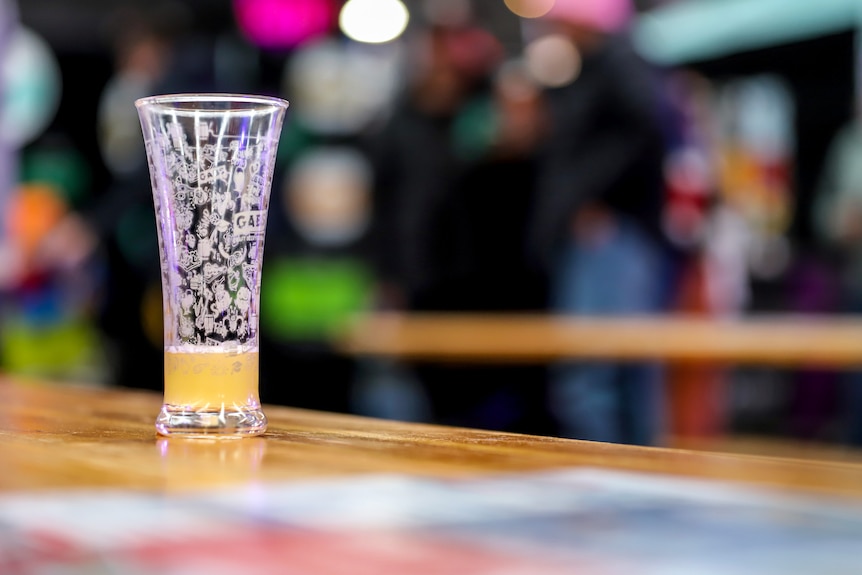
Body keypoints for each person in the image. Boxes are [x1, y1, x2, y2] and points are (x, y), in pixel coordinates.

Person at [527, 0, 671, 445]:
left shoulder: (618, 65)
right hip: (613, 238)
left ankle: (607, 490)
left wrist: (596, 199)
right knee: (620, 378)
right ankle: (635, 489)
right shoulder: (602, 66)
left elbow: (642, 131)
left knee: (590, 381)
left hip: (609, 241)